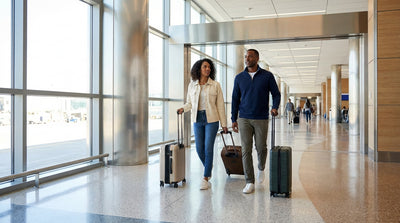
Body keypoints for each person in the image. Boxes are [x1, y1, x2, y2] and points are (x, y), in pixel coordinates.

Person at [231, 49, 281, 194]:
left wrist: (275, 107)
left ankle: (261, 167)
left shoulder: (267, 76)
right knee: (246, 150)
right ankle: (249, 181)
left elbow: (276, 94)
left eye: (250, 56)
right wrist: (233, 119)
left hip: (261, 117)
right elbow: (235, 99)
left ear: (257, 58)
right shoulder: (239, 78)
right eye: (246, 56)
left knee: (261, 147)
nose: (247, 58)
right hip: (244, 118)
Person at [177, 58, 228, 190]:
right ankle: (208, 165)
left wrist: (224, 124)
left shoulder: (215, 85)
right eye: (205, 67)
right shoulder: (192, 85)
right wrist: (183, 108)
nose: (208, 69)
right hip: (197, 118)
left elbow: (220, 106)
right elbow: (190, 103)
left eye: (209, 67)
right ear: (199, 69)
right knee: (199, 148)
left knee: (208, 147)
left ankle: (206, 177)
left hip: (212, 119)